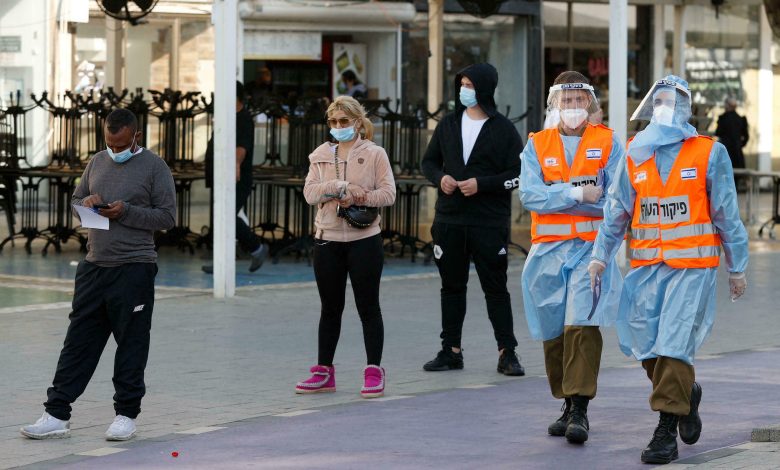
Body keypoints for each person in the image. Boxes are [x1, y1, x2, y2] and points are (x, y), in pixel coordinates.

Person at [588, 76, 749, 465]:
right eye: (658, 101)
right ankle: (686, 393)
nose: (664, 107)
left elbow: (726, 212)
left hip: (692, 268)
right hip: (647, 268)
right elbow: (617, 209)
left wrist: (737, 266)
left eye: (672, 101)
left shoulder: (708, 153)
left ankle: (665, 431)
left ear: (686, 109)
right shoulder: (635, 152)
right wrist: (600, 254)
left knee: (674, 343)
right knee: (647, 347)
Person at [20, 109, 176, 441]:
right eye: (109, 143)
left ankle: (126, 415)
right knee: (77, 343)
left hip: (134, 268)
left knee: (131, 343)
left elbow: (167, 217)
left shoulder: (155, 167)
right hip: (94, 266)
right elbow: (77, 202)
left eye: (120, 144)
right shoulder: (97, 161)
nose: (114, 150)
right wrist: (88, 203)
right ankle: (56, 414)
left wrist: (126, 211)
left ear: (136, 136)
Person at [519, 71, 625, 444]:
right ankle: (566, 402)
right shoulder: (537, 145)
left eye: (580, 100)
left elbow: (615, 200)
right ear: (555, 104)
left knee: (582, 322)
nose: (574, 106)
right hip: (547, 252)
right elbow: (530, 195)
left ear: (590, 104)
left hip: (590, 249)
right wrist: (577, 194)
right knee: (552, 330)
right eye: (567, 100)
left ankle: (579, 407)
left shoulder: (608, 142)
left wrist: (557, 195)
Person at [420, 63, 525, 376]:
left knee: (496, 288)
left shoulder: (503, 129)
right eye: (462, 84)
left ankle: (507, 352)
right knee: (451, 287)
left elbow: (518, 173)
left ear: (484, 89)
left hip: (488, 222)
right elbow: (429, 162)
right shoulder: (448, 124)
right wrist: (440, 178)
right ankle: (451, 350)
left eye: (470, 85)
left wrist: (483, 184)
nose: (464, 90)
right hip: (450, 220)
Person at [295, 96, 396, 398]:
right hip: (328, 239)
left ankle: (374, 370)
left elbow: (389, 194)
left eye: (343, 121)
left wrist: (360, 196)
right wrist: (338, 187)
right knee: (330, 308)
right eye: (333, 121)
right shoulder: (321, 155)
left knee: (368, 306)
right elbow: (310, 193)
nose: (338, 126)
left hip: (364, 240)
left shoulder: (375, 153)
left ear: (357, 122)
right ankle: (324, 371)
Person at [203, 81, 269, 274]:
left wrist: (236, 165)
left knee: (227, 216)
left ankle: (256, 248)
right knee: (221, 217)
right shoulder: (227, 117)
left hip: (236, 178)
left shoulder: (243, 119)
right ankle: (222, 261)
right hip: (220, 176)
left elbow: (242, 147)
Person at [715, 97, 749, 188]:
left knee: (724, 179)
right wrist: (740, 145)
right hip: (737, 153)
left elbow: (718, 133)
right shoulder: (740, 119)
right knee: (735, 180)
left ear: (728, 106)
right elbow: (746, 137)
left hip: (725, 152)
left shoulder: (723, 119)